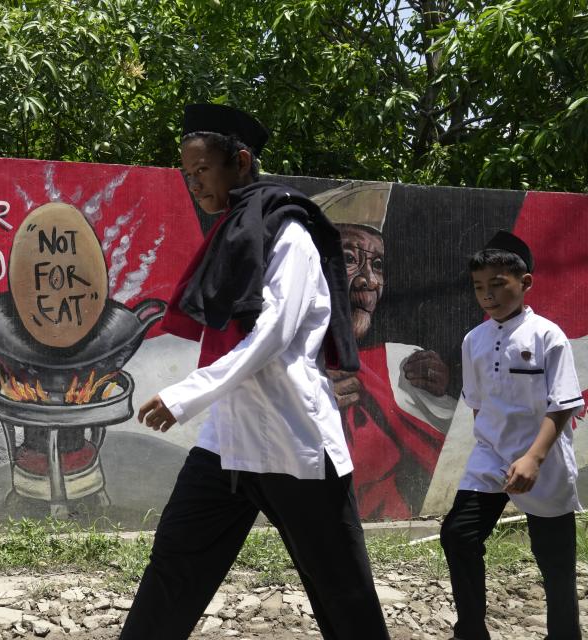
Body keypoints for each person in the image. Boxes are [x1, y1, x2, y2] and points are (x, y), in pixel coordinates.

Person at [119, 103, 389, 640]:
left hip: (293, 443)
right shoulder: (233, 233)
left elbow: (273, 335)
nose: (194, 184)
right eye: (186, 174)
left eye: (203, 170)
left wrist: (187, 394)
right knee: (175, 564)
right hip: (229, 441)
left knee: (341, 591)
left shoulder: (289, 234)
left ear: (241, 162)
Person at [441, 230, 583, 640]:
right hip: (491, 460)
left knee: (554, 562)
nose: (488, 295)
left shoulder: (547, 335)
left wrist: (534, 457)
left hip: (544, 461)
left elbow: (564, 403)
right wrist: (488, 448)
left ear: (525, 283)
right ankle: (470, 631)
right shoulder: (474, 340)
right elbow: (477, 403)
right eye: (479, 287)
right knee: (457, 535)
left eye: (498, 284)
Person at [313, 182, 453, 519]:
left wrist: (439, 393)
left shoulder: (393, 367)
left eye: (377, 265)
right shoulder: (271, 358)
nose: (370, 281)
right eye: (348, 259)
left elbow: (460, 446)